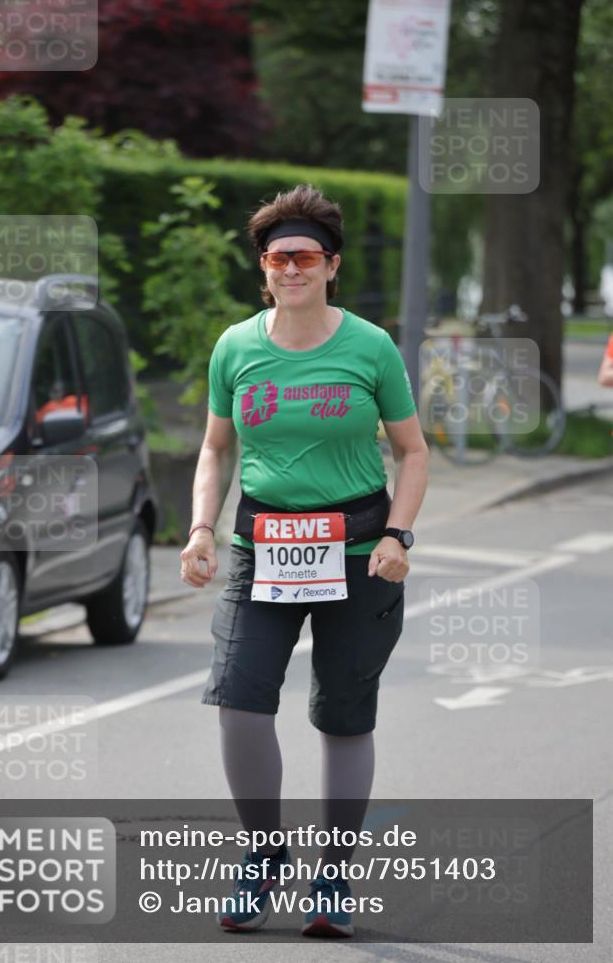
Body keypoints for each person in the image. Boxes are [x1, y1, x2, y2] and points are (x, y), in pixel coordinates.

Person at [180, 184, 429, 938]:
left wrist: (397, 536)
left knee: (343, 717)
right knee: (239, 701)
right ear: (263, 270)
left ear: (330, 266)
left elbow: (412, 453)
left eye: (304, 257)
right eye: (276, 258)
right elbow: (215, 448)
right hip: (263, 551)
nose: (289, 269)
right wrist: (199, 529)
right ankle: (262, 856)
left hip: (359, 556)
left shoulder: (369, 347)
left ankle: (334, 877)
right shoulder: (236, 345)